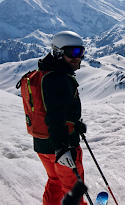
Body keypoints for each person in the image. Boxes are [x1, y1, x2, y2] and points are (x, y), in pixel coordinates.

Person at [35, 31, 88, 205]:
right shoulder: (59, 79)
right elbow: (55, 115)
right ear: (58, 52)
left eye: (80, 52)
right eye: (72, 52)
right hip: (64, 146)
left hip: (43, 143)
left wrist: (74, 124)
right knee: (73, 191)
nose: (78, 57)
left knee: (55, 182)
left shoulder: (45, 72)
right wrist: (61, 147)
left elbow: (51, 110)